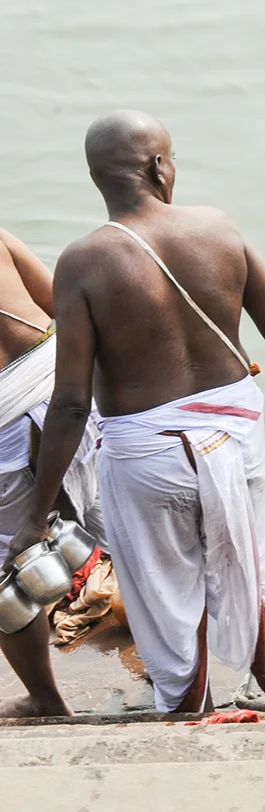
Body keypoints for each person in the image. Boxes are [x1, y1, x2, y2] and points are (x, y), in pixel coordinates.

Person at [12, 111, 265, 714]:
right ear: (159, 167)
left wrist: (36, 514)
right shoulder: (218, 229)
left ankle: (190, 712)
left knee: (165, 595)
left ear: (96, 177)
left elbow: (73, 401)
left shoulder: (83, 262)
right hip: (235, 441)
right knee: (258, 567)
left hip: (147, 460)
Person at [0, 227, 104, 718]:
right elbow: (61, 308)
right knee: (125, 535)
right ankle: (188, 675)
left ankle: (46, 700)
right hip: (68, 402)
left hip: (9, 428)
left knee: (6, 583)